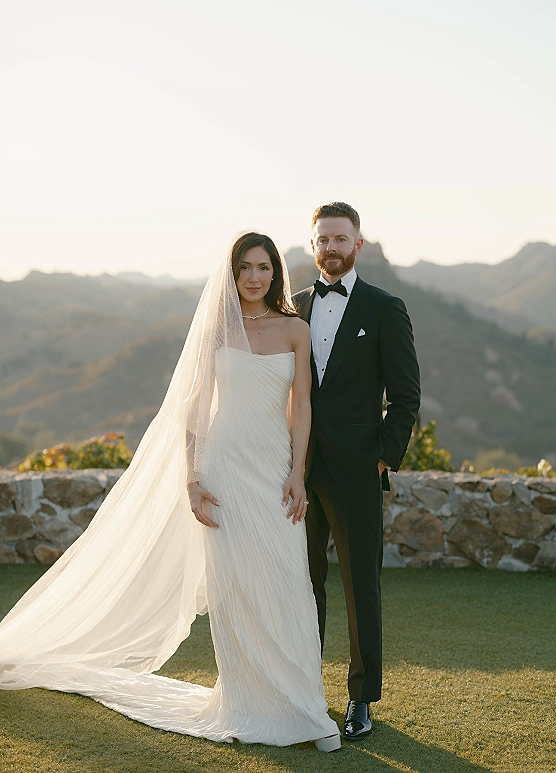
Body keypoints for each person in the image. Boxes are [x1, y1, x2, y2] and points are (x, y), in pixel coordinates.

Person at [0, 233, 340, 752]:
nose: (254, 277)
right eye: (245, 267)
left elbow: (303, 409)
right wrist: (192, 476)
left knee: (287, 580)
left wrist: (297, 473)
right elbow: (195, 405)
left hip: (273, 470)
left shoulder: (296, 329)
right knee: (237, 590)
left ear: (276, 273)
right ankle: (248, 704)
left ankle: (303, 707)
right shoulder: (217, 330)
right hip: (223, 470)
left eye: (264, 267)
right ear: (233, 273)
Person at [293, 202, 421, 740]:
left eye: (340, 239)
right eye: (323, 239)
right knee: (302, 586)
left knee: (358, 587)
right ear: (313, 246)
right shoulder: (292, 306)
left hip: (356, 472)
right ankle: (302, 692)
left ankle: (361, 699)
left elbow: (406, 395)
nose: (331, 248)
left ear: (358, 246)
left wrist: (383, 456)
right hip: (296, 471)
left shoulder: (384, 307)